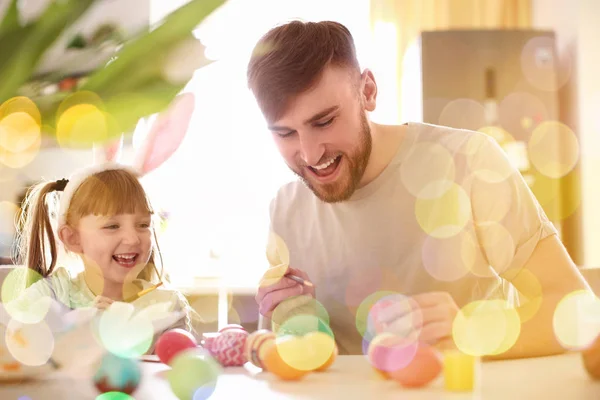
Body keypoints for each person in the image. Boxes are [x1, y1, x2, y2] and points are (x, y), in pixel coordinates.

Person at [247, 20, 590, 357]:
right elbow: (294, 359)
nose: (310, 154)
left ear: (367, 91)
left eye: (324, 122)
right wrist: (283, 330)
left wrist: (470, 332)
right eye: (285, 133)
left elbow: (576, 309)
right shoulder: (286, 210)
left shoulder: (470, 162)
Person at [5, 94, 198, 356]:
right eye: (112, 226)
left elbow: (179, 376)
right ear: (72, 238)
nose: (132, 238)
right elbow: (14, 350)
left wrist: (132, 338)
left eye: (143, 224)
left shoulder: (166, 307)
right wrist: (79, 331)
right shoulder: (49, 297)